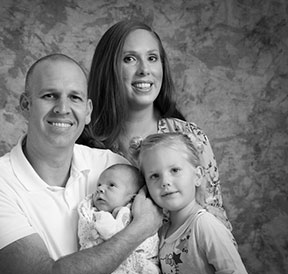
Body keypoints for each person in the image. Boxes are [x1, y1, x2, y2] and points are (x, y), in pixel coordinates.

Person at [0, 53, 163, 274]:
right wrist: (139, 228)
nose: (62, 108)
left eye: (75, 97)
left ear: (88, 111)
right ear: (26, 105)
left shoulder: (114, 167)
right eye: (49, 95)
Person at [78, 19, 232, 230]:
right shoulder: (85, 143)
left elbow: (215, 217)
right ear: (107, 68)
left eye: (152, 58)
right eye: (129, 58)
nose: (144, 69)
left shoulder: (189, 138)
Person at [136, 132, 248, 273]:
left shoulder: (205, 225)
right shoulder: (161, 232)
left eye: (175, 170)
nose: (165, 182)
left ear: (197, 176)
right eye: (154, 176)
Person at [78, 163, 160, 274]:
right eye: (99, 185)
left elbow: (148, 243)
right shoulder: (91, 213)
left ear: (132, 197)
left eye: (111, 185)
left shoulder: (137, 214)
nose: (100, 189)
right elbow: (86, 238)